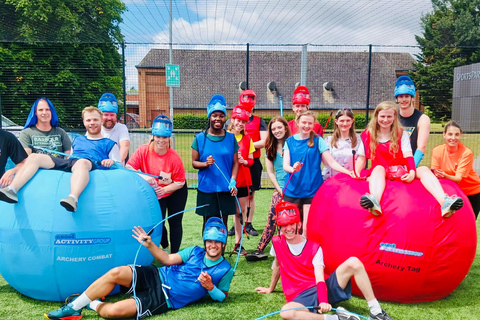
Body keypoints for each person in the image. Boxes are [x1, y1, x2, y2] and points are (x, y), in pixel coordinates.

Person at [44, 217, 234, 320]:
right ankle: (73, 307)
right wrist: (150, 245)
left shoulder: (225, 270)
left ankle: (89, 303)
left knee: (112, 312)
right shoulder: (194, 251)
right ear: (205, 241)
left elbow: (222, 297)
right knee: (115, 273)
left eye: (217, 242)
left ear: (223, 244)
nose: (212, 245)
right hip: (157, 275)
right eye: (209, 241)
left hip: (164, 299)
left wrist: (211, 288)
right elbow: (167, 259)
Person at [254, 202, 396, 320]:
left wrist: (323, 299)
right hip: (300, 295)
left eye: (291, 223)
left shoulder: (314, 247)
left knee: (354, 262)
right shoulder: (277, 243)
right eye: (284, 225)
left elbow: (320, 278)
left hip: (323, 287)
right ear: (279, 226)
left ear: (299, 223)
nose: (288, 228)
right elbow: (278, 265)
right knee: (286, 312)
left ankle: (376, 310)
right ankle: (337, 318)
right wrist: (270, 288)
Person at [0, 106, 120, 212]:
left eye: (95, 120)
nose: (92, 123)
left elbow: (119, 165)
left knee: (82, 162)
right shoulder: (78, 140)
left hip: (89, 164)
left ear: (101, 121)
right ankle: (12, 190)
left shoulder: (109, 144)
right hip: (72, 162)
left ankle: (73, 198)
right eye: (88, 120)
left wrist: (111, 162)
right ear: (84, 122)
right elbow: (70, 159)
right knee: (34, 157)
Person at [359, 101, 463, 218]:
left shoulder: (400, 134)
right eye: (382, 116)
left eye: (389, 116)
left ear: (394, 117)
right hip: (380, 171)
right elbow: (361, 158)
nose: (385, 120)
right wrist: (357, 175)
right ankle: (375, 201)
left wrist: (412, 172)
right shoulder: (367, 134)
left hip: (400, 170)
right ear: (377, 116)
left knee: (423, 169)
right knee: (378, 168)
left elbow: (408, 155)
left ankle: (444, 201)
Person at [283, 111, 355, 236]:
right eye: (304, 122)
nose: (306, 125)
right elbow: (285, 166)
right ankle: (286, 253)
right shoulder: (289, 141)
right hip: (292, 189)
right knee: (288, 224)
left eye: (310, 123)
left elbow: (331, 163)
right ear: (297, 123)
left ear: (314, 125)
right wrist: (293, 169)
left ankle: (305, 253)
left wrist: (348, 172)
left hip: (312, 189)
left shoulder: (318, 140)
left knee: (306, 227)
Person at [126, 115, 187, 253]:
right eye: (158, 136)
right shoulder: (143, 150)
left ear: (169, 138)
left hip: (176, 190)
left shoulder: (174, 157)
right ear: (153, 136)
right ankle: (164, 244)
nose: (161, 140)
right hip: (156, 190)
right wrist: (144, 177)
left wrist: (165, 190)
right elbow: (129, 167)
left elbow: (180, 181)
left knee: (175, 222)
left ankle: (174, 255)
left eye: (164, 137)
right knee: (159, 222)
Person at [246, 116, 291, 262]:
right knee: (272, 218)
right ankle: (260, 249)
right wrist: (279, 189)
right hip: (280, 189)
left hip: (295, 189)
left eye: (279, 127)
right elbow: (271, 172)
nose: (277, 131)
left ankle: (289, 249)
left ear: (285, 128)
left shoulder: (292, 144)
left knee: (293, 220)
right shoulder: (270, 148)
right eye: (273, 129)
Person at [192, 94, 239, 229]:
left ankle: (221, 250)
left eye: (221, 115)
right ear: (209, 117)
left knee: (222, 224)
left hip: (226, 189)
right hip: (207, 189)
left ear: (225, 118)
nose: (218, 118)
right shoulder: (200, 138)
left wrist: (233, 180)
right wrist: (205, 164)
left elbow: (235, 162)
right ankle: (208, 250)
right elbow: (194, 163)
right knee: (207, 223)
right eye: (214, 115)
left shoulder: (231, 138)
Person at [431, 120, 480, 219]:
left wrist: (444, 175)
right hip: (452, 191)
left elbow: (458, 178)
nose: (453, 138)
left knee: (468, 222)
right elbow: (435, 174)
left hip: (471, 192)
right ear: (444, 135)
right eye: (450, 134)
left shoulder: (466, 153)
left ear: (460, 135)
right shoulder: (437, 151)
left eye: (456, 134)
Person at [236, 89, 267, 236]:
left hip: (252, 161)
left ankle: (248, 223)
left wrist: (247, 145)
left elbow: (265, 140)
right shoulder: (234, 120)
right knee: (235, 193)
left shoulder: (260, 121)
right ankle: (236, 222)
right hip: (235, 163)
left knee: (250, 195)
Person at [227, 106, 255, 255]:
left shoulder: (248, 138)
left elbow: (251, 160)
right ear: (232, 120)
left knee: (240, 212)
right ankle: (220, 242)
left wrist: (244, 161)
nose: (240, 124)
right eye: (238, 120)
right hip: (229, 180)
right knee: (227, 211)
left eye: (243, 122)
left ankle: (238, 243)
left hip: (243, 180)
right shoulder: (226, 136)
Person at [395, 76, 430, 167]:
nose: (404, 100)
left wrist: (411, 168)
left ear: (412, 98)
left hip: (411, 164)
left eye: (407, 96)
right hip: (393, 164)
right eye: (401, 96)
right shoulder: (392, 117)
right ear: (397, 99)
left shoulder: (423, 119)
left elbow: (421, 147)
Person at [322, 109, 365, 180]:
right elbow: (327, 162)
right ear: (336, 121)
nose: (345, 124)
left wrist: (354, 172)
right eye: (342, 121)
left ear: (352, 121)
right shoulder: (328, 140)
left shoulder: (360, 140)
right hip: (331, 180)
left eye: (348, 120)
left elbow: (362, 161)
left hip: (351, 179)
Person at [97, 93, 131, 164]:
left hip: (116, 169)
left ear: (116, 116)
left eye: (112, 115)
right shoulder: (96, 128)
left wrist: (116, 163)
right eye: (105, 115)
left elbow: (125, 146)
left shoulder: (121, 128)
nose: (109, 118)